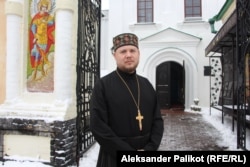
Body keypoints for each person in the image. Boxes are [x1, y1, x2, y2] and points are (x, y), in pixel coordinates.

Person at [90, 33, 164, 167]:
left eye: (132, 50)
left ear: (138, 54)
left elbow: (157, 120)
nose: (128, 55)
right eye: (123, 51)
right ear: (115, 56)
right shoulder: (103, 85)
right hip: (114, 156)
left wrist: (150, 149)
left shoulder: (146, 84)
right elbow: (98, 126)